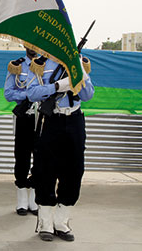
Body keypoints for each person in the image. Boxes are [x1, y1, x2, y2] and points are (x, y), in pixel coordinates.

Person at [26, 55, 94, 242]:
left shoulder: (79, 64)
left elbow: (88, 95)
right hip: (51, 120)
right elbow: (31, 93)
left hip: (74, 120)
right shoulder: (40, 64)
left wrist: (81, 73)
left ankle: (61, 222)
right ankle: (45, 223)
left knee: (74, 171)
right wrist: (56, 87)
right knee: (45, 171)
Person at [4, 48, 39, 216]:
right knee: (22, 157)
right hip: (24, 116)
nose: (33, 47)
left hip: (43, 117)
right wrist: (29, 94)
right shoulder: (16, 66)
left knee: (41, 158)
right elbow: (8, 93)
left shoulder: (47, 65)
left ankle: (34, 198)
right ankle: (21, 199)